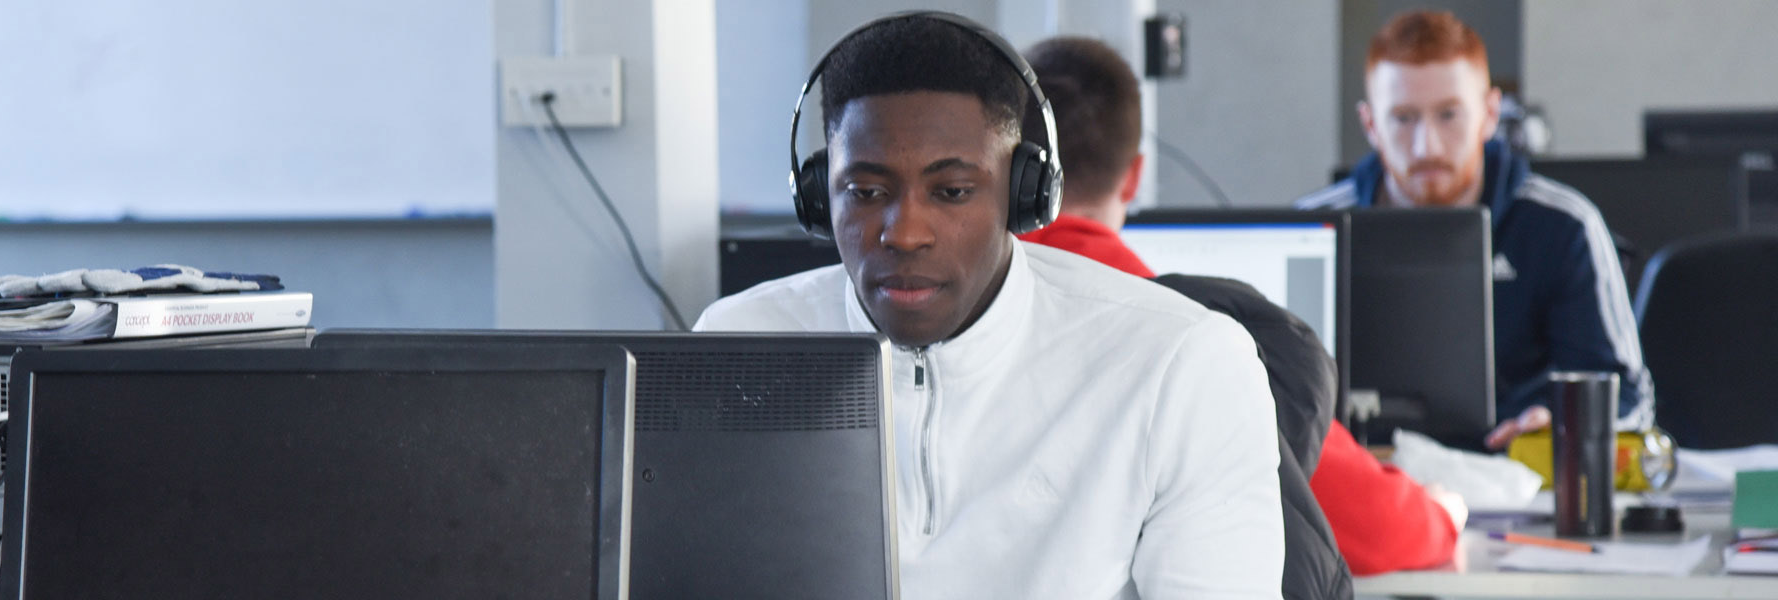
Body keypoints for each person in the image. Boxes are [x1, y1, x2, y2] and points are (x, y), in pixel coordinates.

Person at [695, 13, 1283, 599]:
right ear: (820, 198)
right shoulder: (739, 346)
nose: (905, 234)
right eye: (867, 192)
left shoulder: (1180, 365)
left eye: (951, 191)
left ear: (1024, 194)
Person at [1020, 36, 1462, 579]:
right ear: (1134, 176)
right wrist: (1442, 513)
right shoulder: (1177, 332)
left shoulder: (949, 312)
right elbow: (1376, 527)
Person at [1295, 10, 1654, 448]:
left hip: (1515, 486)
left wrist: (1557, 425)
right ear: (1371, 125)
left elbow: (1630, 401)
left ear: (1488, 114)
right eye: (1403, 118)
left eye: (1449, 115)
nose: (1427, 145)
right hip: (1363, 482)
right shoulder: (1312, 230)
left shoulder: (1564, 226)